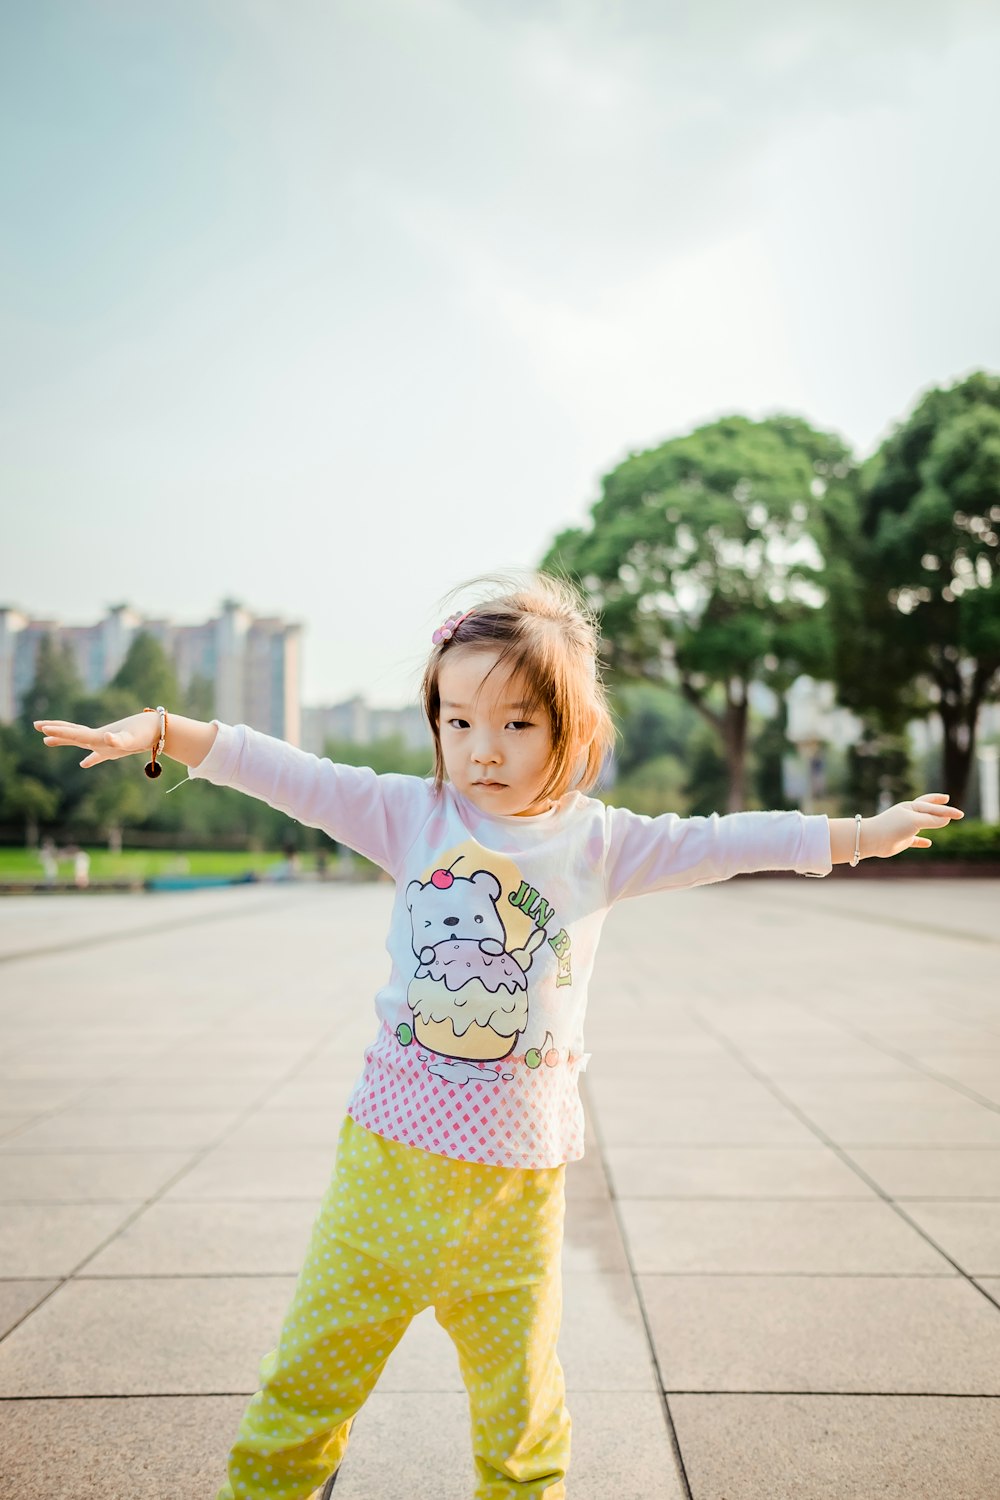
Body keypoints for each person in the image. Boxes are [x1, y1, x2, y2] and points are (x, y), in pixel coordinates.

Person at [32, 572, 964, 1500]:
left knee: (522, 1422)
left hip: (515, 1196)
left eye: (517, 723)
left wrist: (856, 836)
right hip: (384, 1175)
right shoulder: (408, 814)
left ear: (572, 731)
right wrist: (161, 730)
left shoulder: (602, 843)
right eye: (458, 720)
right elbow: (287, 773)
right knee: (305, 1386)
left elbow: (723, 840)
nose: (483, 749)